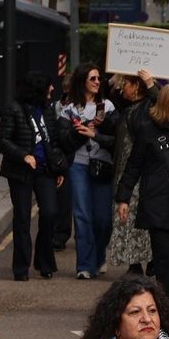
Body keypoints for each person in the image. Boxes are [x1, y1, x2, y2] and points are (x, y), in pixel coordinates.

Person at [116, 83, 169, 305]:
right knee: (163, 258)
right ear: (166, 104)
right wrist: (123, 197)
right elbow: (134, 165)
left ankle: (168, 302)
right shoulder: (147, 129)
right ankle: (168, 305)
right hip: (156, 201)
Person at [0, 71, 72, 281]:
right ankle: (21, 268)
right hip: (20, 171)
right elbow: (2, 140)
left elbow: (54, 142)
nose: (52, 90)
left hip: (45, 170)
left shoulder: (47, 111)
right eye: (49, 86)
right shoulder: (14, 109)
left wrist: (59, 169)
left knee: (49, 213)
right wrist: (23, 155)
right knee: (22, 218)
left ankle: (44, 262)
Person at [58, 63, 114, 280]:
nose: (97, 82)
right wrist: (81, 133)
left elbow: (114, 139)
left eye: (99, 78)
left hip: (102, 165)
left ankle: (99, 255)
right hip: (78, 165)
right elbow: (63, 140)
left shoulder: (107, 107)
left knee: (102, 219)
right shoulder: (68, 109)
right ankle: (84, 265)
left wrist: (94, 134)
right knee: (82, 215)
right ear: (82, 82)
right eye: (93, 78)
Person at [103, 71, 157, 275]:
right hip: (124, 173)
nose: (121, 87)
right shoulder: (128, 108)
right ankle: (135, 264)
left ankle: (146, 261)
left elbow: (162, 102)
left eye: (125, 83)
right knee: (127, 221)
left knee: (138, 220)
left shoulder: (149, 108)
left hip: (139, 174)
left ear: (136, 87)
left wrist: (150, 83)